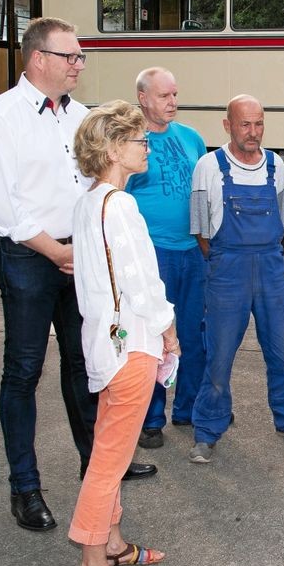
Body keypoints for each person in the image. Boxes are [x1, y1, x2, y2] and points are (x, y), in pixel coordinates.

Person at [0, 17, 154, 533]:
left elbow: (93, 187)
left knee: (88, 364)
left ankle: (98, 468)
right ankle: (25, 489)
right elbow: (2, 206)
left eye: (80, 57)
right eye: (70, 56)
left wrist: (87, 250)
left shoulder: (81, 117)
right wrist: (56, 252)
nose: (78, 64)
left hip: (80, 257)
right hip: (30, 258)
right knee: (23, 371)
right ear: (38, 58)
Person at [69, 100, 177, 566]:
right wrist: (169, 332)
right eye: (139, 140)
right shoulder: (122, 205)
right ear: (114, 149)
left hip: (103, 345)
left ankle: (111, 543)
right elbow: (142, 282)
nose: (146, 147)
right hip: (132, 346)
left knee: (107, 452)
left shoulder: (88, 202)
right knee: (108, 463)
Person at [188, 95, 284, 464]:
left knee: (280, 350)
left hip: (269, 269)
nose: (253, 132)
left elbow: (282, 223)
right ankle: (207, 431)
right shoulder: (208, 167)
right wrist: (223, 261)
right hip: (227, 270)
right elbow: (200, 229)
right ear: (228, 125)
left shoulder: (275, 165)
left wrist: (264, 256)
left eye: (259, 123)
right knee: (219, 356)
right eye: (245, 124)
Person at [125, 67, 208, 449]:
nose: (172, 102)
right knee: (154, 338)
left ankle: (188, 408)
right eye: (164, 96)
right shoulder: (129, 141)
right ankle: (150, 418)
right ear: (143, 98)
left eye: (175, 95)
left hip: (192, 252)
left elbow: (204, 195)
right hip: (152, 254)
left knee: (194, 334)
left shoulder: (191, 138)